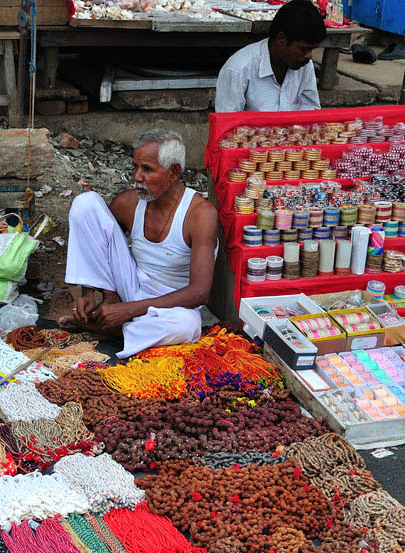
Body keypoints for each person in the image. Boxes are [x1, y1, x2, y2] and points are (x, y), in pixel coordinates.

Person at [59, 129, 219, 359]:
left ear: (174, 172)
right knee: (86, 204)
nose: (136, 176)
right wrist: (89, 291)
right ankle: (113, 316)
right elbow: (97, 242)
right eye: (135, 167)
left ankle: (109, 326)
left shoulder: (200, 214)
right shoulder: (128, 203)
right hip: (132, 284)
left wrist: (129, 310)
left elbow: (200, 292)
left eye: (147, 169)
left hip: (173, 303)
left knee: (186, 326)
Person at [214, 0, 327, 114]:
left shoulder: (304, 64)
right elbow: (227, 124)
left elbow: (311, 113)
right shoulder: (238, 69)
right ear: (281, 39)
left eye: (312, 49)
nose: (309, 56)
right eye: (304, 49)